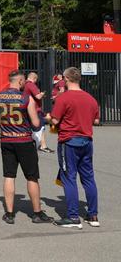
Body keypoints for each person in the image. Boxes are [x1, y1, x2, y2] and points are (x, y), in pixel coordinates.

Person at [0, 70, 53, 225]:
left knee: (9, 175)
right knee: (31, 176)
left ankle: (10, 214)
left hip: (6, 140)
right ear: (20, 81)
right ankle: (37, 213)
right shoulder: (26, 98)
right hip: (24, 141)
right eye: (24, 81)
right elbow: (36, 124)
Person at [45, 67, 100, 229]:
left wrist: (47, 117)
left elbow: (54, 121)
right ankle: (93, 214)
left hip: (68, 141)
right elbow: (96, 121)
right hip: (87, 141)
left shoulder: (64, 98)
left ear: (66, 79)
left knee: (69, 178)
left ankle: (73, 216)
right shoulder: (91, 98)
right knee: (88, 178)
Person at [24, 72, 53, 153]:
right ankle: (43, 146)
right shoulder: (31, 85)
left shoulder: (24, 85)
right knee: (41, 127)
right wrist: (42, 94)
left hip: (27, 108)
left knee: (29, 127)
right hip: (35, 109)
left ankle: (32, 144)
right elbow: (38, 96)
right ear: (35, 79)